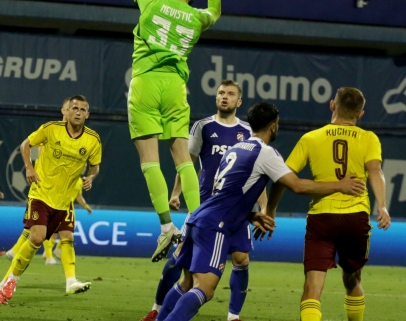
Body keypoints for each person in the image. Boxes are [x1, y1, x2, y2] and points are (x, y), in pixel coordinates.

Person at [161, 102, 365, 321]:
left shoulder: (235, 149)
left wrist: (250, 215)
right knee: (204, 289)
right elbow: (296, 185)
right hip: (215, 226)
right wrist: (340, 185)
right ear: (273, 126)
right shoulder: (265, 153)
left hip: (199, 218)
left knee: (186, 283)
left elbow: (223, 192)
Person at [262, 87, 391, 321]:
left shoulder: (311, 138)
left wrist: (270, 210)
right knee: (352, 279)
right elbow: (376, 171)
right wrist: (382, 205)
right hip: (356, 218)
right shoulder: (369, 138)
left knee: (312, 286)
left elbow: (282, 178)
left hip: (322, 218)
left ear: (332, 105)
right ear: (360, 114)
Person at [128, 0, 221, 261]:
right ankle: (200, 226)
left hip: (145, 83)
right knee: (183, 159)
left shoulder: (151, 2)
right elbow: (215, 11)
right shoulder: (196, 17)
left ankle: (167, 227)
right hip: (175, 87)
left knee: (149, 160)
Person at [143, 80, 261, 321]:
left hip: (237, 209)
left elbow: (256, 173)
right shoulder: (203, 126)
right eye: (221, 93)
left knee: (241, 258)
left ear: (239, 101)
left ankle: (233, 316)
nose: (224, 97)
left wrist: (262, 208)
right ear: (216, 97)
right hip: (204, 206)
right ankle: (156, 308)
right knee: (180, 262)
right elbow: (187, 163)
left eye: (230, 94)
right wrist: (176, 193)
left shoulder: (248, 131)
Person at [0, 95, 101, 304]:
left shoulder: (93, 139)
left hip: (64, 201)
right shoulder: (51, 129)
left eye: (82, 110)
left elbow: (95, 166)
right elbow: (25, 144)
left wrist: (91, 177)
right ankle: (11, 280)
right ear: (67, 111)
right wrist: (29, 167)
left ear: (87, 115)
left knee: (64, 237)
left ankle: (7, 283)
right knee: (37, 237)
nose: (78, 112)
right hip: (41, 193)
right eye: (75, 108)